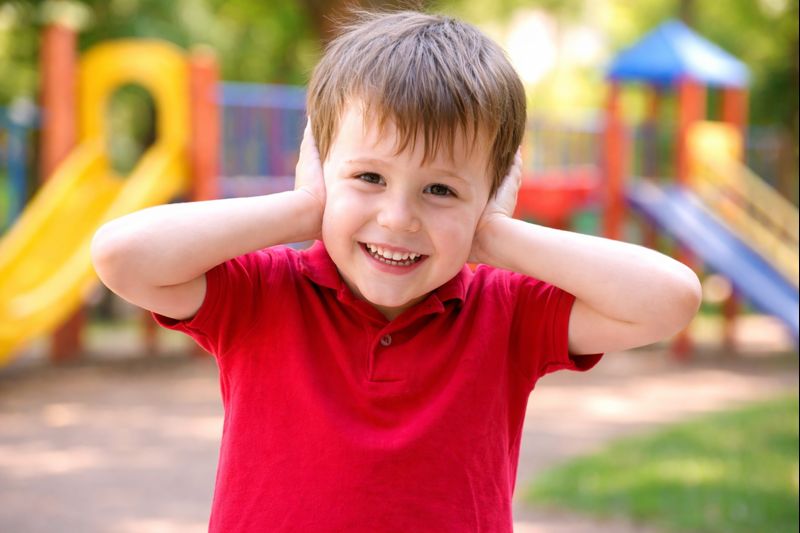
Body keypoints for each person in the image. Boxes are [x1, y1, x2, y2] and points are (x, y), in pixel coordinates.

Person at [91, 9, 701, 533]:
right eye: (369, 177)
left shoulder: (506, 311)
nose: (399, 217)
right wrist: (303, 208)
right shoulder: (263, 292)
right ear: (320, 167)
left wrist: (493, 234)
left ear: (489, 195)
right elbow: (121, 256)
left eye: (441, 190)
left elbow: (669, 299)